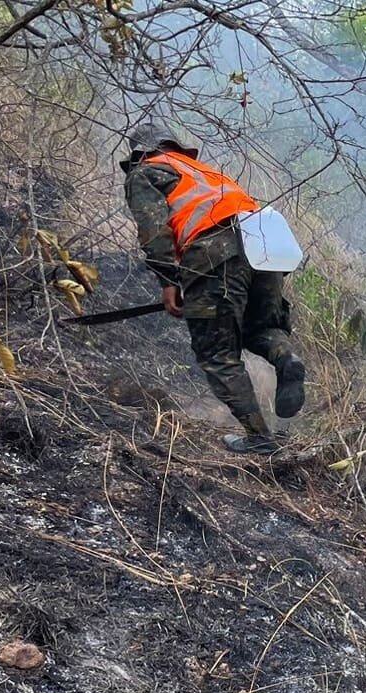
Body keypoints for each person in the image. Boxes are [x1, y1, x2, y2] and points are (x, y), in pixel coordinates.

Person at [122, 122, 305, 454]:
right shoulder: (205, 173)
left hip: (215, 253)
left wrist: (168, 281)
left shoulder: (146, 172)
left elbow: (153, 230)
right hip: (266, 246)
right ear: (175, 145)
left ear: (138, 153)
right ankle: (287, 357)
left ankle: (259, 438)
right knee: (259, 327)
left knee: (217, 353)